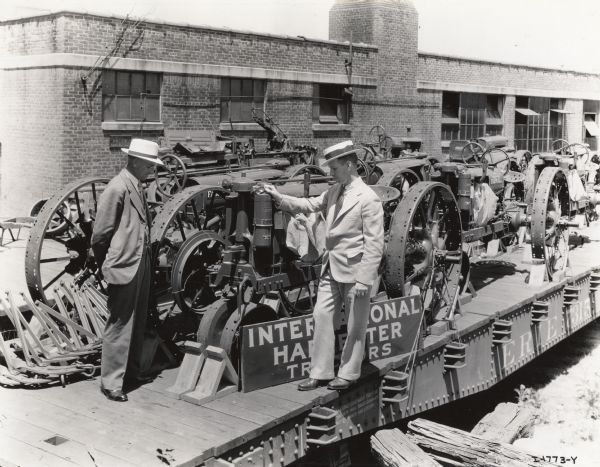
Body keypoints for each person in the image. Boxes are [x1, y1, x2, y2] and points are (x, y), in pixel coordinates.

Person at [262, 140, 384, 391]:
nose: (330, 173)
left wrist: (364, 279)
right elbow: (309, 205)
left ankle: (349, 373)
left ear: (349, 165)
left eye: (334, 168)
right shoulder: (334, 191)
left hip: (355, 273)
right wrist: (278, 197)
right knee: (321, 316)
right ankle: (321, 372)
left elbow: (375, 244)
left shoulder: (368, 199)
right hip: (331, 268)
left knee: (355, 325)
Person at [91, 138, 164, 402]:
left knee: (138, 320)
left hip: (140, 263)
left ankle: (131, 373)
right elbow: (100, 235)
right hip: (124, 265)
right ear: (133, 161)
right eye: (148, 164)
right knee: (120, 323)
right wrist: (108, 263)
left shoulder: (137, 185)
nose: (152, 170)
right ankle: (111, 382)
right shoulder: (117, 188)